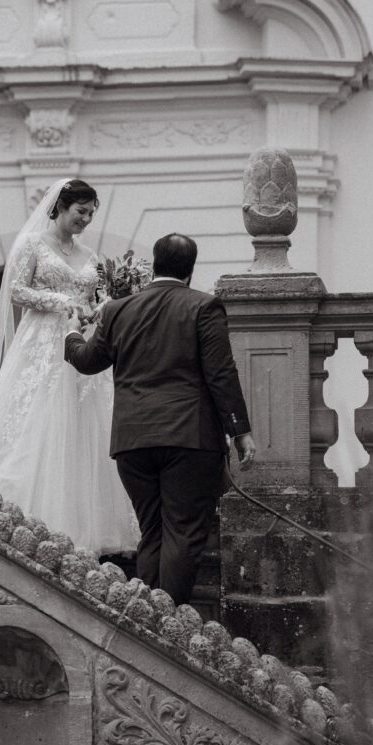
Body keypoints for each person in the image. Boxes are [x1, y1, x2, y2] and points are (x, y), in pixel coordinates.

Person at [64, 232, 255, 605]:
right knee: (183, 533)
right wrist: (240, 430)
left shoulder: (117, 310)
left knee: (151, 532)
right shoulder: (204, 307)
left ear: (154, 264)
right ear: (190, 270)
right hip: (189, 437)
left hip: (132, 441)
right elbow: (221, 373)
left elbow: (86, 361)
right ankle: (167, 623)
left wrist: (72, 333)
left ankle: (147, 619)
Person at [0, 178, 139, 556]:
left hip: (81, 341)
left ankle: (83, 524)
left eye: (91, 214)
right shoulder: (33, 244)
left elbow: (94, 298)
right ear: (60, 207)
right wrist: (60, 301)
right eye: (81, 212)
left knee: (85, 426)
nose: (86, 220)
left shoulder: (90, 255)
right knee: (40, 420)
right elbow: (15, 290)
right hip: (41, 343)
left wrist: (100, 308)